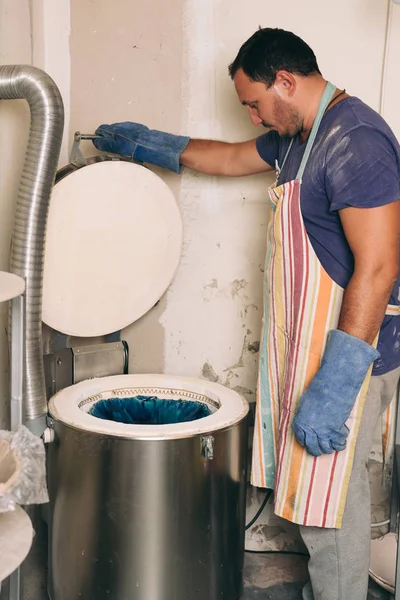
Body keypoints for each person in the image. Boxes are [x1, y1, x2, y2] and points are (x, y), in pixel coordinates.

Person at [93, 28, 400, 600]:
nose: (254, 118)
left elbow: (379, 268)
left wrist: (336, 385)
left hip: (351, 356)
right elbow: (231, 157)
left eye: (255, 103)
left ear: (286, 81)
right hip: (311, 345)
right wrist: (150, 145)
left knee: (328, 504)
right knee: (323, 496)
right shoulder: (298, 138)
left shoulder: (355, 140)